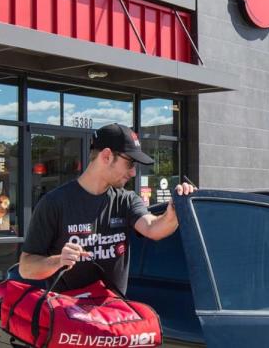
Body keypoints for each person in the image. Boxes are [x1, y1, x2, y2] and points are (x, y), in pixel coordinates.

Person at [19, 123, 195, 293]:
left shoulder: (126, 200)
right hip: (68, 319)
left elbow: (153, 228)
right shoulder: (54, 203)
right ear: (106, 156)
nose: (133, 172)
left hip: (112, 318)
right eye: (130, 163)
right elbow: (26, 268)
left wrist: (173, 213)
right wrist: (58, 261)